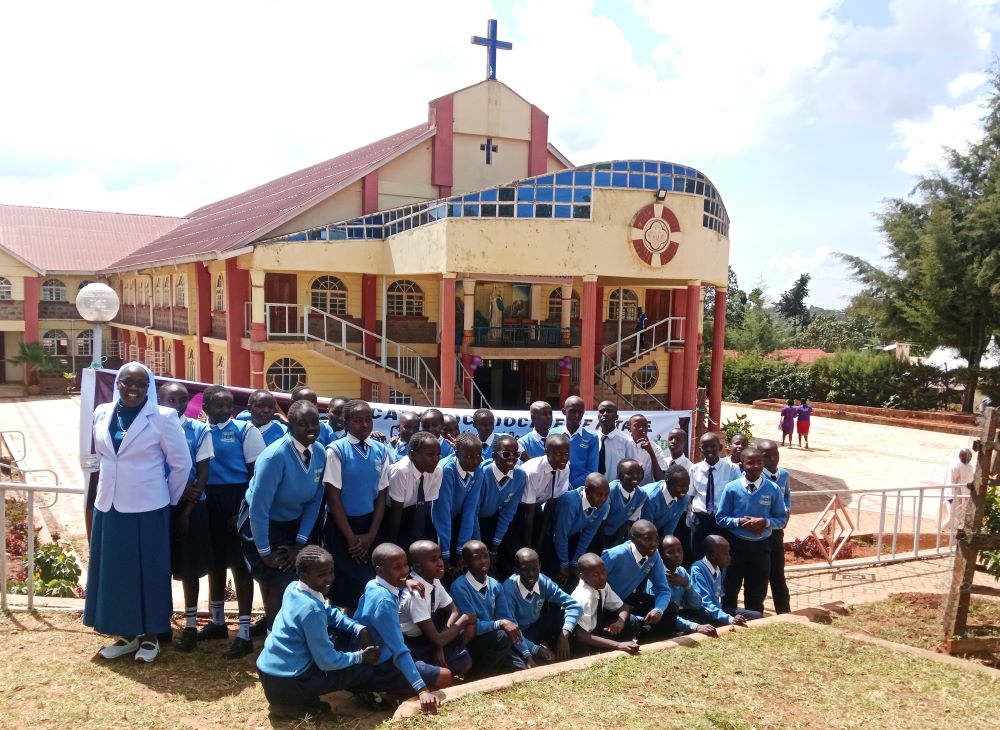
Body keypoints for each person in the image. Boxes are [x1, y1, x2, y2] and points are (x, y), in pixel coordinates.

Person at [84, 362, 192, 663]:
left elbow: (182, 465)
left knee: (149, 572)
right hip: (110, 505)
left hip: (148, 507)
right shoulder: (103, 412)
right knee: (117, 571)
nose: (132, 389)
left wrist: (166, 500)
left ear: (149, 387)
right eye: (126, 382)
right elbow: (100, 456)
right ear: (118, 384)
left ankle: (151, 637)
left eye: (140, 384)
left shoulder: (163, 417)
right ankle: (127, 634)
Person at [255, 546, 379, 721]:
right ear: (305, 576)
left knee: (336, 637)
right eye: (322, 574)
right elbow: (327, 661)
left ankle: (296, 700)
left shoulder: (294, 588)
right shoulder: (311, 610)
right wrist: (360, 657)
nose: (329, 579)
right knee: (362, 670)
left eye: (331, 572)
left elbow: (328, 611)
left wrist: (357, 628)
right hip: (287, 681)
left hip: (270, 673)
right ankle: (291, 706)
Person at [239, 401, 327, 630]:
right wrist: (265, 552)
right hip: (262, 523)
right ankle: (274, 641)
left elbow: (315, 501)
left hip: (294, 521)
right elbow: (259, 509)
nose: (310, 428)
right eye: (302, 424)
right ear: (290, 426)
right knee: (278, 578)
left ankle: (288, 631)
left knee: (294, 579)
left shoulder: (319, 452)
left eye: (314, 422)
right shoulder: (274, 457)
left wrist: (300, 542)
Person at [200, 385, 267, 660]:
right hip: (209, 501)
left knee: (240, 567)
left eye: (229, 405)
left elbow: (256, 473)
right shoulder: (199, 429)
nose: (226, 410)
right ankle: (217, 622)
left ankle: (244, 631)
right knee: (215, 563)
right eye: (219, 406)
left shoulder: (244, 430)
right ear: (205, 407)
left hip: (236, 500)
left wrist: (239, 511)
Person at [354, 543, 451, 715]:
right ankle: (375, 688)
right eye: (397, 568)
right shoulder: (384, 602)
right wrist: (421, 689)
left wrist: (405, 581)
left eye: (405, 565)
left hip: (374, 655)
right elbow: (399, 650)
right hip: (381, 663)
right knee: (445, 676)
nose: (404, 571)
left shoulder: (374, 584)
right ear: (380, 570)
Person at [158, 382, 215, 653]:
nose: (178, 405)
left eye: (182, 400)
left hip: (192, 508)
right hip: (159, 505)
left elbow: (203, 473)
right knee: (161, 567)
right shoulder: (152, 428)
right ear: (160, 400)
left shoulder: (199, 429)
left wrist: (188, 507)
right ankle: (161, 623)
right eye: (171, 400)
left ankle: (191, 626)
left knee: (190, 568)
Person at [323, 399, 391, 612]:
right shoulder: (336, 450)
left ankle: (365, 627)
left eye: (368, 420)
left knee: (368, 581)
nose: (364, 425)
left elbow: (381, 495)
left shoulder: (380, 450)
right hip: (342, 526)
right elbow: (333, 498)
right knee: (344, 583)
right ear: (346, 422)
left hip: (370, 524)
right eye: (358, 420)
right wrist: (352, 539)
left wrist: (371, 535)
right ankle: (343, 630)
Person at [714, 446, 788, 615]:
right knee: (730, 588)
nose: (755, 466)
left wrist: (765, 522)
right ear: (742, 465)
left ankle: (754, 620)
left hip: (762, 548)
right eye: (750, 463)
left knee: (756, 591)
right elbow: (720, 517)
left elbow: (781, 519)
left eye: (759, 462)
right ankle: (728, 619)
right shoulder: (732, 488)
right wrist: (739, 522)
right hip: (736, 547)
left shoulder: (773, 489)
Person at [449, 541, 531, 675]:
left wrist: (527, 655)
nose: (483, 561)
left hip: (493, 640)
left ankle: (491, 670)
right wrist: (500, 623)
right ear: (465, 563)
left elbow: (508, 620)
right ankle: (477, 677)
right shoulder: (459, 587)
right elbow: (471, 627)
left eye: (486, 556)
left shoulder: (495, 585)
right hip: (472, 642)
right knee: (503, 636)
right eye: (476, 557)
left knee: (519, 669)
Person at [399, 541, 474, 676]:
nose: (441, 563)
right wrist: (463, 620)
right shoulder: (416, 594)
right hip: (412, 644)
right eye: (433, 560)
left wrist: (440, 644)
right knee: (454, 667)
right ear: (418, 567)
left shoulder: (434, 580)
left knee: (467, 638)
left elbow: (453, 610)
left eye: (440, 557)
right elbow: (456, 619)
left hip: (430, 636)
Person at [502, 547, 582, 663]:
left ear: (540, 567)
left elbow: (575, 606)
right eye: (525, 570)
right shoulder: (508, 590)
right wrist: (538, 650)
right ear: (517, 570)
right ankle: (542, 653)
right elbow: (513, 631)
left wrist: (564, 634)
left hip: (536, 626)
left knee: (562, 616)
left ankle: (568, 651)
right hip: (519, 635)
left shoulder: (543, 582)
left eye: (535, 569)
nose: (531, 574)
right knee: (531, 663)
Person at [601, 520, 673, 639]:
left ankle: (652, 643)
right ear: (633, 538)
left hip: (626, 598)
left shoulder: (653, 555)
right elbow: (592, 582)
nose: (654, 544)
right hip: (606, 605)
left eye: (656, 539)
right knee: (631, 623)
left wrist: (658, 610)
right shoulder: (616, 555)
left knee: (670, 608)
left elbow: (663, 589)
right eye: (647, 539)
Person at [471, 434, 526, 579]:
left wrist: (495, 545)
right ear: (494, 456)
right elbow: (472, 512)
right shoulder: (482, 473)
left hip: (493, 518)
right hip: (472, 520)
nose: (512, 458)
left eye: (516, 454)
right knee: (478, 559)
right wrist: (482, 548)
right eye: (506, 454)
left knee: (507, 551)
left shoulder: (520, 475)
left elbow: (509, 511)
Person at [434, 433, 486, 576]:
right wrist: (445, 554)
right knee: (441, 568)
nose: (475, 461)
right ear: (456, 452)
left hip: (457, 520)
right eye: (469, 457)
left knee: (462, 563)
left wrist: (460, 551)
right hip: (436, 523)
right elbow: (442, 514)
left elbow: (470, 510)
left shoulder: (478, 469)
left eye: (478, 456)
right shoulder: (446, 470)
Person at [569, 553, 640, 656]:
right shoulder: (583, 597)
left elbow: (623, 606)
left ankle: (616, 646)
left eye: (603, 571)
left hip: (596, 629)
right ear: (582, 577)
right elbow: (582, 636)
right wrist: (617, 645)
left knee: (632, 621)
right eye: (595, 574)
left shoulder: (602, 585)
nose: (602, 577)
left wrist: (619, 623)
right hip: (580, 638)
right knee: (584, 653)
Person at [549, 473, 611, 587]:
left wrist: (574, 562)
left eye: (606, 495)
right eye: (599, 495)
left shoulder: (604, 505)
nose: (602, 499)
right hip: (551, 536)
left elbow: (588, 533)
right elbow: (560, 535)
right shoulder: (570, 503)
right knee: (557, 574)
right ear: (587, 491)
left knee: (576, 573)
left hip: (571, 535)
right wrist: (564, 565)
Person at [387, 432, 443, 546]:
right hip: (391, 513)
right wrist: (392, 543)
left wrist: (417, 539)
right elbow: (395, 513)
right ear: (412, 455)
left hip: (415, 511)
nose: (436, 459)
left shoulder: (436, 471)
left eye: (438, 454)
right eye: (430, 454)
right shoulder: (401, 471)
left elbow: (424, 506)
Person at [519, 434, 571, 556]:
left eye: (566, 454)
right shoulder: (533, 472)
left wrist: (539, 542)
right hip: (521, 508)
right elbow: (528, 514)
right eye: (559, 454)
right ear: (547, 452)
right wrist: (529, 547)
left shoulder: (564, 467)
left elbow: (551, 504)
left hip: (539, 506)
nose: (564, 458)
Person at [659, 535, 720, 637]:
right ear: (661, 555)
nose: (677, 555)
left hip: (677, 615)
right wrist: (695, 626)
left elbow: (696, 604)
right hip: (662, 619)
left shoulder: (682, 571)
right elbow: (664, 615)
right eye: (670, 552)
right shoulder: (658, 577)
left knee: (704, 614)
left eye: (679, 551)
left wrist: (686, 584)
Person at [690, 535, 759, 622]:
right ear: (712, 555)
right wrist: (729, 618)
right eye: (725, 553)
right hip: (706, 612)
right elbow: (705, 602)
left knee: (756, 615)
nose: (729, 557)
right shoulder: (697, 569)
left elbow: (718, 596)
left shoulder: (717, 569)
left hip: (718, 610)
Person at [758, 439, 791, 614]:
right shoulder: (756, 476)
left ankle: (784, 611)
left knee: (778, 574)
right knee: (761, 575)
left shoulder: (784, 475)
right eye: (766, 456)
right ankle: (758, 612)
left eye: (775, 455)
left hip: (776, 532)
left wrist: (786, 511)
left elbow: (786, 495)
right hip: (760, 533)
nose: (771, 459)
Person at [550, 395, 599, 488]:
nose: (577, 415)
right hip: (553, 489)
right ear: (564, 412)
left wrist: (571, 486)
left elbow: (592, 470)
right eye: (572, 411)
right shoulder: (552, 434)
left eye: (580, 412)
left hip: (579, 490)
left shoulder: (592, 437)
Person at [599, 459, 647, 550]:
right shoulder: (610, 492)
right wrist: (602, 545)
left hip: (616, 534)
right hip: (598, 534)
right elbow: (601, 522)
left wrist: (615, 545)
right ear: (619, 476)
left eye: (638, 473)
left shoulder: (642, 495)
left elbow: (627, 521)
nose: (635, 476)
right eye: (630, 473)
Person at [640, 464, 692, 542]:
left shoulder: (683, 498)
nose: (684, 490)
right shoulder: (651, 498)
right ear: (668, 482)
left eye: (687, 486)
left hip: (656, 530)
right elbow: (646, 529)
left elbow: (670, 529)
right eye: (680, 486)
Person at [595, 400, 637, 483]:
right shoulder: (592, 439)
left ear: (616, 417)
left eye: (609, 411)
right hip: (593, 489)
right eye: (602, 411)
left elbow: (633, 469)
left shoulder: (627, 441)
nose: (605, 414)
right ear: (598, 416)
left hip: (617, 490)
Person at [627, 414, 667, 485]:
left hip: (646, 492)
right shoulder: (624, 445)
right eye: (637, 425)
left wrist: (651, 452)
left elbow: (661, 479)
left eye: (645, 426)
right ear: (629, 428)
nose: (641, 428)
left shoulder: (655, 448)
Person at [944, 447, 975, 533]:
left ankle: (959, 529)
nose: (967, 459)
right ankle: (948, 529)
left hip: (966, 493)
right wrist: (950, 496)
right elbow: (949, 481)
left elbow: (971, 479)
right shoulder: (954, 465)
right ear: (960, 456)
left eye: (969, 457)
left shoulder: (970, 466)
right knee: (953, 512)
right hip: (955, 492)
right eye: (965, 457)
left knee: (963, 512)